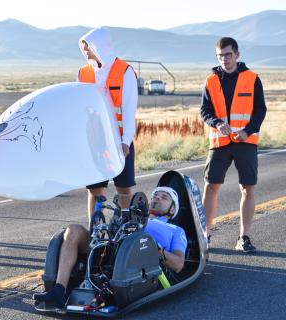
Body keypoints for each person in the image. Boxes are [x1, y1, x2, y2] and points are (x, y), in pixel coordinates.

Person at [33, 187, 187, 308]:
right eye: (155, 196)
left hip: (139, 258)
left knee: (138, 242)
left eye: (164, 197)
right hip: (109, 248)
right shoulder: (131, 214)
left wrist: (157, 250)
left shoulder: (176, 231)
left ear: (172, 209)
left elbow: (179, 264)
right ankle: (59, 289)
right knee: (74, 230)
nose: (157, 198)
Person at [200, 37, 267, 253]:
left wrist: (247, 131)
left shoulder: (252, 78)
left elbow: (260, 110)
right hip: (219, 141)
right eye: (220, 55)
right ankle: (204, 236)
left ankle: (243, 238)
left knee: (247, 188)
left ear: (237, 54)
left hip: (245, 141)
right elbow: (205, 111)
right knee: (211, 187)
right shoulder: (210, 80)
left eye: (228, 54)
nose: (224, 59)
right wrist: (218, 124)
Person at [77, 27, 138, 221]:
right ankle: (95, 229)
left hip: (120, 142)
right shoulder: (83, 73)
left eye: (88, 46)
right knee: (95, 190)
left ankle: (125, 226)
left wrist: (125, 141)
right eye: (84, 47)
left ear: (99, 45)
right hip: (95, 142)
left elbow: (129, 110)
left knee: (124, 189)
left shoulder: (125, 71)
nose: (85, 51)